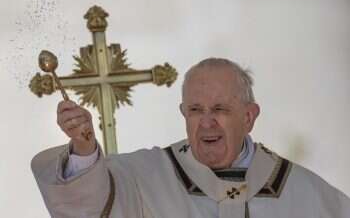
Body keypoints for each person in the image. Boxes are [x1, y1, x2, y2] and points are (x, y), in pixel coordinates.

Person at [32, 58, 350, 218]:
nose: (207, 122)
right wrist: (85, 146)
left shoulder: (308, 196)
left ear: (249, 116)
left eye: (220, 109)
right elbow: (89, 206)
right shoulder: (145, 177)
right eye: (196, 110)